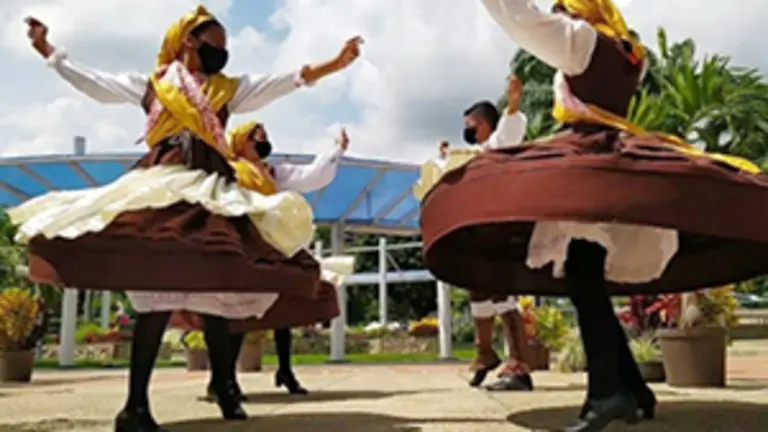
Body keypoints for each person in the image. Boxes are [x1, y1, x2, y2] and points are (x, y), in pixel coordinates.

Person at [419, 1, 768, 430]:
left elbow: (523, 19)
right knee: (587, 280)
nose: (559, 13)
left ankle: (609, 393)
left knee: (584, 279)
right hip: (610, 171)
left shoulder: (581, 42)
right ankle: (631, 388)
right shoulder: (627, 54)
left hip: (590, 170)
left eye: (563, 6)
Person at [12, 7, 361, 432]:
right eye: (217, 44)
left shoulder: (228, 89)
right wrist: (50, 51)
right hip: (161, 184)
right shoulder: (156, 83)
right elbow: (97, 85)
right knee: (156, 292)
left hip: (211, 186)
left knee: (217, 285)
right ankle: (136, 405)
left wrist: (335, 64)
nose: (224, 53)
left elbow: (287, 80)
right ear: (191, 42)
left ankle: (224, 385)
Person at [173, 121, 351, 401]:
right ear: (242, 141)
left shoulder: (271, 172)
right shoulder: (226, 169)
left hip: (267, 242)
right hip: (237, 244)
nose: (265, 143)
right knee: (234, 312)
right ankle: (224, 380)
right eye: (259, 138)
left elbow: (310, 176)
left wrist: (335, 149)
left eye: (266, 137)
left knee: (286, 301)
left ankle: (284, 370)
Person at [459, 78, 534, 391]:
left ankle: (519, 367)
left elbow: (512, 123)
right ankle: (484, 351)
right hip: (484, 228)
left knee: (503, 292)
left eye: (470, 124)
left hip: (505, 225)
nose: (467, 129)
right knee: (477, 288)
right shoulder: (482, 152)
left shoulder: (503, 140)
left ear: (483, 124)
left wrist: (513, 102)